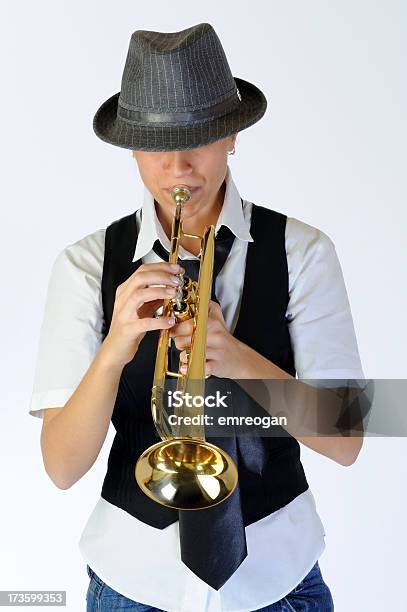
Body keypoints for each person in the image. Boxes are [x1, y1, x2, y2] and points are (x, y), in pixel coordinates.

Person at [29, 22, 365, 611]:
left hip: (277, 578)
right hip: (132, 579)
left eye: (200, 139)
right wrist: (116, 347)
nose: (179, 167)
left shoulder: (305, 252)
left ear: (232, 136)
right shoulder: (85, 265)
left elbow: (348, 438)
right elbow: (60, 467)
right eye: (157, 146)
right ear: (131, 148)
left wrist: (237, 357)